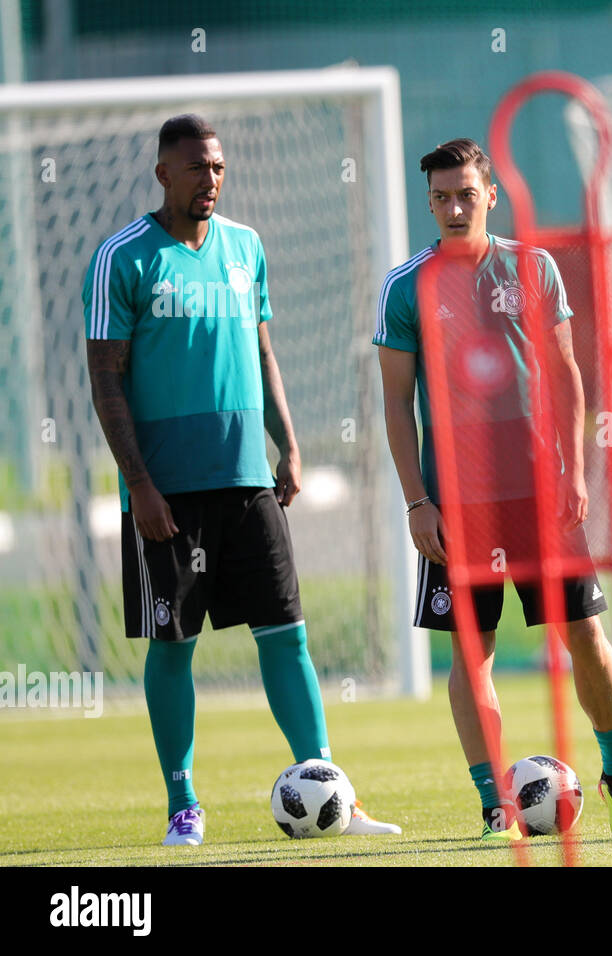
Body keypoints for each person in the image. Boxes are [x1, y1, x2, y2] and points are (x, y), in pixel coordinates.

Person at [84, 114, 399, 846]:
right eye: (197, 168)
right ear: (164, 173)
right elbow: (105, 379)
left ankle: (330, 791)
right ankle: (182, 804)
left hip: (248, 478)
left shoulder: (246, 248)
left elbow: (263, 350)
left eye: (219, 167)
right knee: (173, 645)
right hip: (170, 490)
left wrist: (287, 444)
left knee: (287, 635)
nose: (211, 179)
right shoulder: (122, 259)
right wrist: (140, 485)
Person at [374, 138, 612, 841]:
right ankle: (495, 806)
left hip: (540, 495)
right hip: (457, 504)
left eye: (467, 193)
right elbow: (396, 404)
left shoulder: (532, 267)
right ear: (428, 201)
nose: (455, 207)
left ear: (491, 194)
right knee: (472, 651)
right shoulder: (407, 286)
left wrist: (574, 470)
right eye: (441, 197)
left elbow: (564, 374)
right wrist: (416, 500)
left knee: (585, 633)